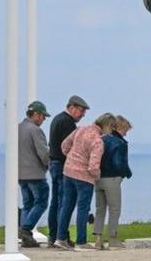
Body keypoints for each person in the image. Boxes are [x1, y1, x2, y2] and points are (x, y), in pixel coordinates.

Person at [55, 112, 114, 250]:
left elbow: (64, 145)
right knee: (83, 209)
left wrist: (72, 158)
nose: (110, 132)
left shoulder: (80, 129)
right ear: (108, 126)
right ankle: (81, 242)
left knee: (66, 206)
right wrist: (97, 176)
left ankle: (60, 238)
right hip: (84, 178)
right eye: (112, 128)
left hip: (68, 172)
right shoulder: (98, 141)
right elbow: (93, 166)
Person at [46, 95, 89, 249]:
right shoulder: (67, 123)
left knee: (56, 201)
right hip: (62, 165)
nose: (83, 115)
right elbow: (71, 147)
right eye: (81, 111)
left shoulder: (57, 119)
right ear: (72, 107)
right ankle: (61, 235)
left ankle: (53, 234)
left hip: (54, 162)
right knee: (64, 202)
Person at [94, 115, 133, 250]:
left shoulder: (101, 139)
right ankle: (113, 238)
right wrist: (127, 173)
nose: (126, 134)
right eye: (126, 130)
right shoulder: (120, 143)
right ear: (120, 128)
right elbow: (118, 162)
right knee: (114, 209)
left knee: (100, 209)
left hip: (98, 178)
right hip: (112, 178)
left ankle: (98, 239)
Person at [18, 99, 52, 247]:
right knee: (41, 202)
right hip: (35, 174)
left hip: (20, 174)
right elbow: (43, 153)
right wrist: (49, 165)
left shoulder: (17, 128)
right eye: (43, 116)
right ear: (36, 114)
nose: (43, 119)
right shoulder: (35, 130)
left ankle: (26, 237)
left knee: (27, 204)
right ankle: (25, 229)